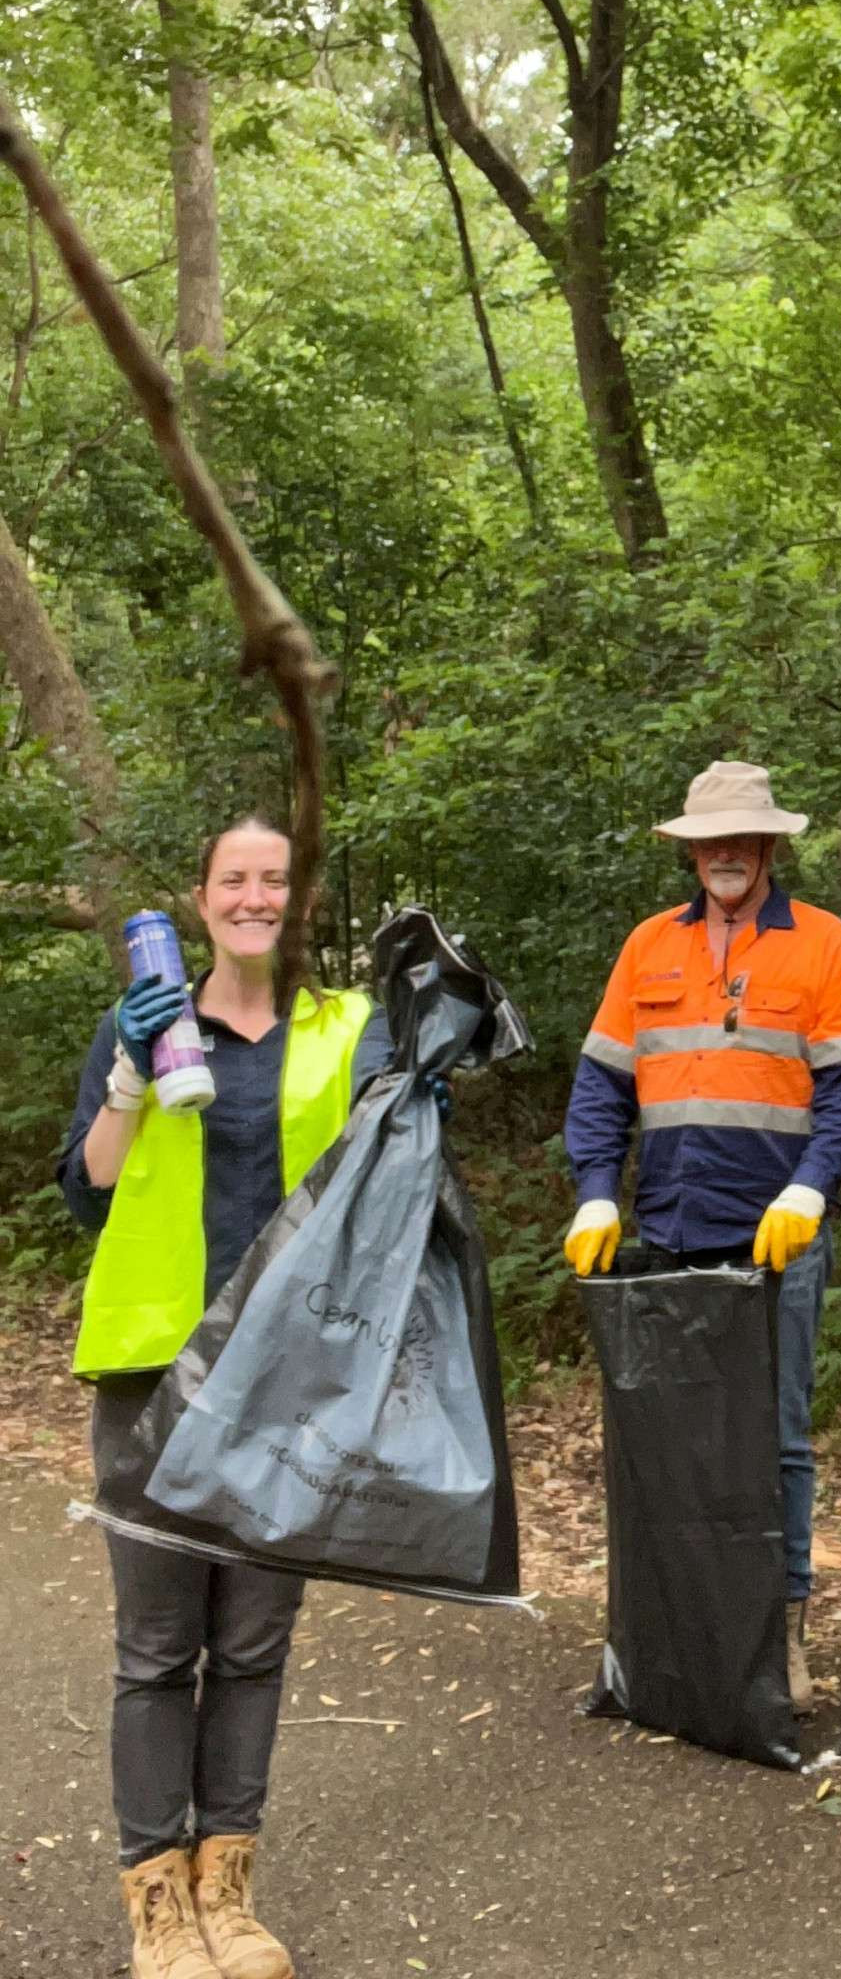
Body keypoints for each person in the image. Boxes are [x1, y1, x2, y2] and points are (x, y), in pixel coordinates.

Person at [61, 816, 392, 1979]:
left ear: (298, 905)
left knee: (253, 1645)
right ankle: (157, 1904)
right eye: (234, 881)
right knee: (158, 1647)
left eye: (276, 881)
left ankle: (229, 1895)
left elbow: (389, 1181)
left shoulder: (343, 1025)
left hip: (286, 1382)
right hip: (155, 1369)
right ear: (200, 901)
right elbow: (92, 1187)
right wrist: (126, 1081)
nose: (256, 897)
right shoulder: (145, 1018)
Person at [560, 759, 841, 1714]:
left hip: (773, 1240)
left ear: (770, 845)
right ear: (691, 851)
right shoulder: (649, 948)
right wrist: (594, 1192)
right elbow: (601, 1084)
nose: (726, 855)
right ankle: (666, 1636)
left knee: (772, 1439)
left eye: (743, 838)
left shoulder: (824, 946)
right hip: (664, 1231)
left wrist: (812, 1190)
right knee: (664, 1441)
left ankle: (777, 1636)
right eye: (710, 841)